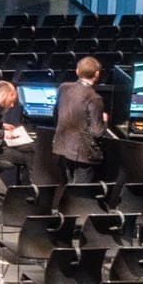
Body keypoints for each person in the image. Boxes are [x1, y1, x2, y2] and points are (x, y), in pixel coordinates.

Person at [50, 55, 111, 194]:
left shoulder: (63, 88)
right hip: (84, 154)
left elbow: (56, 114)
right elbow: (97, 132)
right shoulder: (95, 98)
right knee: (79, 194)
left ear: (77, 71)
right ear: (97, 74)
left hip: (63, 147)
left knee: (68, 189)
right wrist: (105, 120)